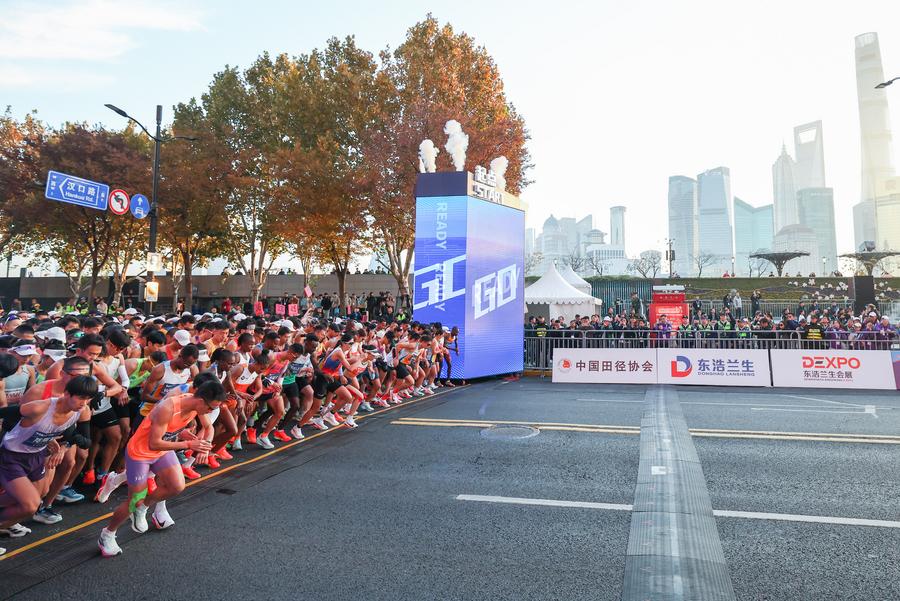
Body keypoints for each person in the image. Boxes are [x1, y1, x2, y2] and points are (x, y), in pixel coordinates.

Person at [97, 378, 225, 557]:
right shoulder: (168, 407)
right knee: (135, 500)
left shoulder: (197, 405)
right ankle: (107, 534)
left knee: (176, 486)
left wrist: (205, 445)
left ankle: (143, 507)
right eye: (211, 408)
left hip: (162, 450)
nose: (211, 412)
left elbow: (209, 428)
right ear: (201, 400)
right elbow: (154, 443)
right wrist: (189, 444)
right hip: (141, 453)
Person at [0, 376, 95, 556]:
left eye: (88, 399)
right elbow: (4, 415)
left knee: (39, 495)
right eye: (81, 398)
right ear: (66, 393)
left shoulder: (81, 411)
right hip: (12, 456)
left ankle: (7, 524)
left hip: (37, 456)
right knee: (31, 505)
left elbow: (85, 441)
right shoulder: (39, 408)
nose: (84, 403)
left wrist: (62, 444)